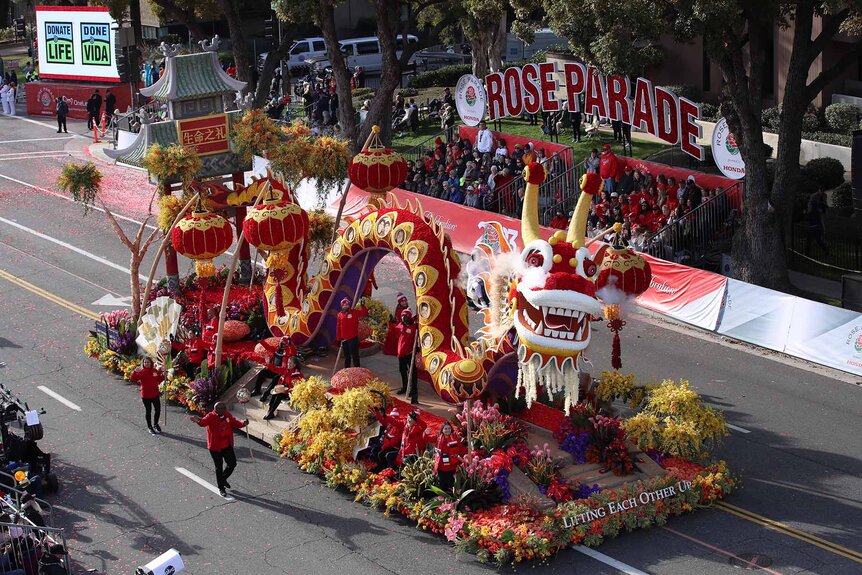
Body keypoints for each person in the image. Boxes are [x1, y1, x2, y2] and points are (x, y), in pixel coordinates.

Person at [190, 402, 248, 497]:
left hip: (226, 445)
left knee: (232, 463)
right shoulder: (210, 416)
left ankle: (222, 479)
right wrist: (197, 420)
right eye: (220, 409)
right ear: (215, 409)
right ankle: (221, 488)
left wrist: (243, 423)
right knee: (219, 467)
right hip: (215, 447)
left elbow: (234, 422)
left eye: (223, 408)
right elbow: (203, 422)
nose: (222, 410)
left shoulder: (227, 415)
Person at [391, 309, 420, 403]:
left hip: (410, 354)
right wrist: (390, 323)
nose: (404, 318)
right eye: (402, 316)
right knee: (403, 371)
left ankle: (414, 390)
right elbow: (394, 331)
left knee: (413, 373)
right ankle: (405, 387)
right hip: (401, 355)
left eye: (406, 316)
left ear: (409, 317)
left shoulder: (414, 327)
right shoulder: (400, 325)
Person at [130, 357, 164, 434]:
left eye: (148, 362)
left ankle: (155, 424)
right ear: (143, 364)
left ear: (151, 363)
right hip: (146, 396)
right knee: (148, 411)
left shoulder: (155, 371)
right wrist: (135, 372)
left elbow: (160, 379)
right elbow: (133, 379)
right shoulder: (141, 372)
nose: (146, 363)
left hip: (155, 394)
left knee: (158, 410)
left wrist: (163, 373)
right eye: (145, 362)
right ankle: (150, 427)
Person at [263, 356, 302, 420]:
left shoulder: (297, 374)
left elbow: (295, 388)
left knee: (278, 395)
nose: (288, 364)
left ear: (294, 365)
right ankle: (270, 411)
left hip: (290, 393)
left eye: (290, 363)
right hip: (282, 389)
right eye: (288, 363)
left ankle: (271, 412)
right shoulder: (285, 370)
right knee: (274, 393)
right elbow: (275, 369)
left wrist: (286, 390)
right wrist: (267, 363)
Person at [432, 421, 465, 492]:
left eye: (449, 428)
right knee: (442, 485)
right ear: (442, 430)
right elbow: (426, 439)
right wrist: (425, 433)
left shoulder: (455, 438)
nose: (447, 430)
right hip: (441, 466)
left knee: (451, 485)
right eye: (445, 429)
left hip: (452, 466)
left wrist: (470, 451)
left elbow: (461, 448)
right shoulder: (438, 438)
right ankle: (443, 501)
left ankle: (451, 501)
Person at [336, 297, 367, 369]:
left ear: (349, 306)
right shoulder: (339, 315)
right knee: (347, 356)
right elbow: (338, 327)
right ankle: (347, 369)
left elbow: (364, 313)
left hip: (353, 338)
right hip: (344, 339)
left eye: (346, 305)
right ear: (341, 306)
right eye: (343, 305)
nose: (345, 306)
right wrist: (338, 337)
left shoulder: (354, 312)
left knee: (355, 355)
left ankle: (357, 369)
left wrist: (363, 306)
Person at [806, 187, 830, 255]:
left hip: (817, 218)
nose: (821, 193)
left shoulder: (824, 195)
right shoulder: (814, 196)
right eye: (820, 191)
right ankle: (808, 251)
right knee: (812, 238)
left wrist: (824, 210)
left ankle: (823, 245)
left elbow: (824, 203)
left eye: (822, 191)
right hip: (815, 216)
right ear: (818, 190)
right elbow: (810, 205)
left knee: (817, 236)